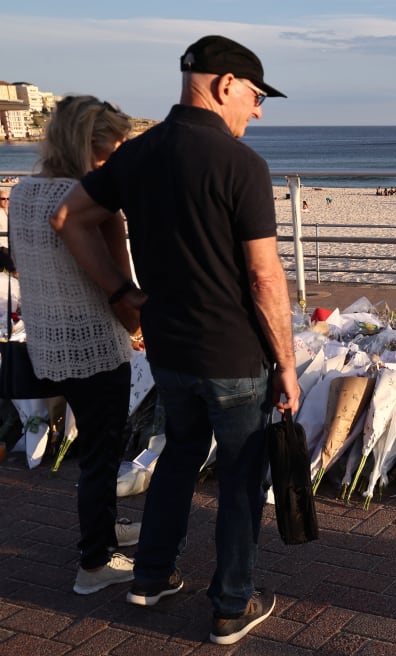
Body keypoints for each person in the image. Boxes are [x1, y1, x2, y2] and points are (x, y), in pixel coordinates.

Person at [51, 35, 299, 646]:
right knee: (241, 478)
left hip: (169, 347)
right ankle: (230, 607)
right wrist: (288, 366)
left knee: (180, 455)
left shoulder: (138, 155)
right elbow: (265, 276)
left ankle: (151, 577)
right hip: (234, 353)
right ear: (222, 85)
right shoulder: (243, 165)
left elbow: (69, 219)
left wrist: (121, 292)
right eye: (256, 94)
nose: (259, 109)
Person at [7, 96, 141, 595]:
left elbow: (23, 266)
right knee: (103, 452)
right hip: (96, 345)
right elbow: (120, 289)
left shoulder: (22, 193)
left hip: (49, 344)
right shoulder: (93, 200)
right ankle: (95, 562)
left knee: (94, 449)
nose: (120, 156)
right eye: (114, 148)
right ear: (89, 144)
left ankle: (102, 528)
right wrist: (136, 324)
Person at [0, 188, 12, 272]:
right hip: (2, 247)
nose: (6, 200)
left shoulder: (11, 212)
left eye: (8, 198)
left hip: (11, 246)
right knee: (16, 271)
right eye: (3, 199)